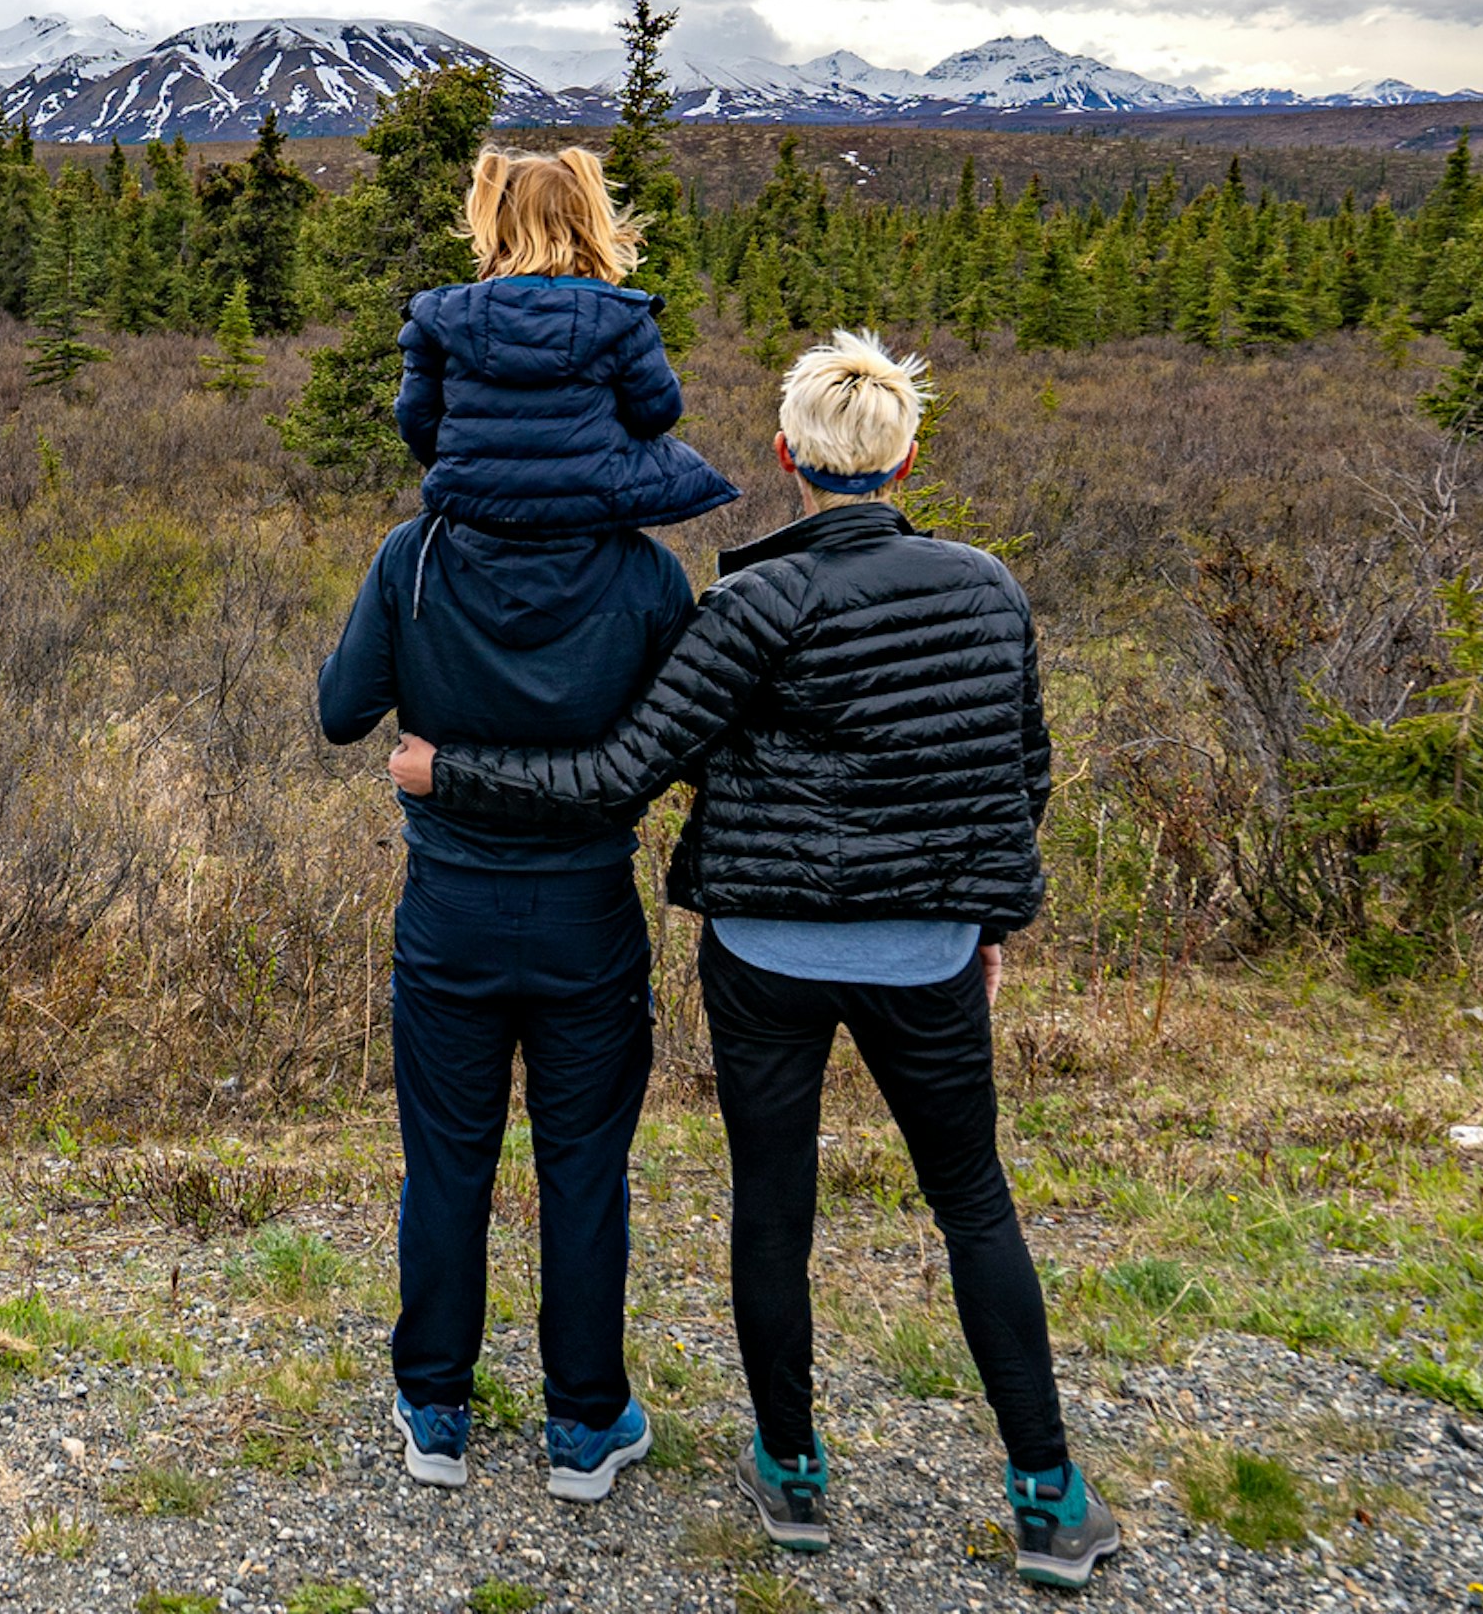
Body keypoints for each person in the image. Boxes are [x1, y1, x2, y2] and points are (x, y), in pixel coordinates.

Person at [393, 330, 1123, 1593]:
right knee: (974, 1203)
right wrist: (988, 918)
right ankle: (1048, 1494)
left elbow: (625, 772)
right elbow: (1022, 772)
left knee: (774, 1207)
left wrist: (453, 772)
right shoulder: (986, 589)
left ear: (788, 456)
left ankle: (791, 1474)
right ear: (906, 456)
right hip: (926, 951)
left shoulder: (749, 605)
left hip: (766, 952)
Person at [320, 145, 734, 1498]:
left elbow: (340, 711)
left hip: (446, 905)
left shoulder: (417, 553)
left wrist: (437, 741)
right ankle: (583, 1424)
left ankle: (434, 1413)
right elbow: (689, 746)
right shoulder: (643, 570)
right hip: (586, 914)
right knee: (583, 1170)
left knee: (444, 1162)